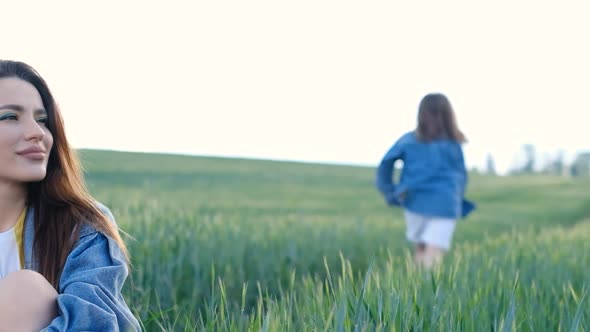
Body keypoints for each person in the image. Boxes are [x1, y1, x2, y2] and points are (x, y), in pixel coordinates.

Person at [0, 60, 141, 331]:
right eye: (10, 117)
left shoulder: (81, 226)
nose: (37, 133)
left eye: (42, 120)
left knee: (25, 291)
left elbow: (94, 323)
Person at [375, 93, 475, 269]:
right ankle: (426, 291)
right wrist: (456, 196)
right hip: (445, 203)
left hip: (414, 200)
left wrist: (389, 190)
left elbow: (386, 163)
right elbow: (461, 175)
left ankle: (415, 289)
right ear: (449, 115)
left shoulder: (409, 140)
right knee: (433, 253)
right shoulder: (454, 144)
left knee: (421, 248)